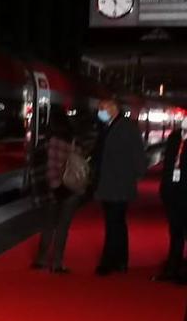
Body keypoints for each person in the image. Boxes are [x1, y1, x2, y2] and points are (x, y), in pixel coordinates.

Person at [93, 99, 149, 275]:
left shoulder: (126, 128)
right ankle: (120, 260)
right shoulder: (109, 127)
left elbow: (138, 155)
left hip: (119, 184)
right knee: (117, 223)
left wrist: (136, 175)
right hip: (110, 183)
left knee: (113, 223)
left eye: (102, 109)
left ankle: (108, 262)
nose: (99, 112)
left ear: (113, 109)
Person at [32, 114, 88, 273]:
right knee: (63, 227)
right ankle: (57, 262)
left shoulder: (47, 143)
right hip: (70, 188)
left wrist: (51, 185)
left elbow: (42, 167)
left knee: (48, 225)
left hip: (52, 189)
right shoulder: (74, 142)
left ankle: (41, 259)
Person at [156, 119, 187, 283]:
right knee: (175, 231)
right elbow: (168, 163)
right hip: (172, 191)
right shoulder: (174, 137)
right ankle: (172, 267)